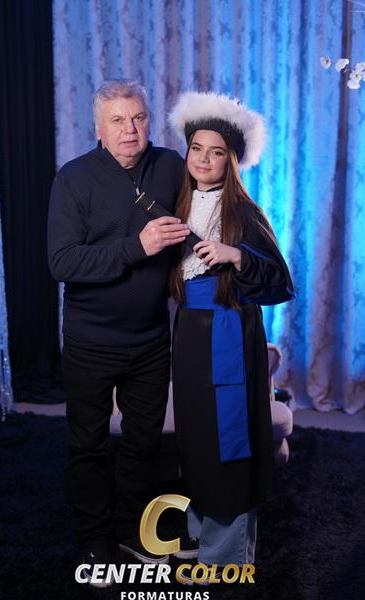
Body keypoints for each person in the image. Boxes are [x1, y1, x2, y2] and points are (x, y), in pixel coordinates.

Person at [47, 79, 195, 584]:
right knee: (88, 445)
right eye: (117, 120)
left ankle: (133, 529)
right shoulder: (74, 179)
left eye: (138, 118)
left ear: (149, 121)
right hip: (90, 341)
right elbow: (62, 262)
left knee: (142, 442)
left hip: (151, 339)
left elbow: (205, 211)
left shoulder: (170, 166)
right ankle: (94, 539)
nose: (130, 130)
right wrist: (139, 246)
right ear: (99, 128)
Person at [168, 91, 295, 573]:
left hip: (229, 334)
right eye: (196, 148)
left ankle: (226, 560)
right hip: (190, 335)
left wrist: (237, 255)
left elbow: (281, 283)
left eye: (216, 151)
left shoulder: (244, 211)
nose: (204, 159)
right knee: (197, 439)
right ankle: (202, 539)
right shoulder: (177, 203)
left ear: (232, 159)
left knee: (229, 440)